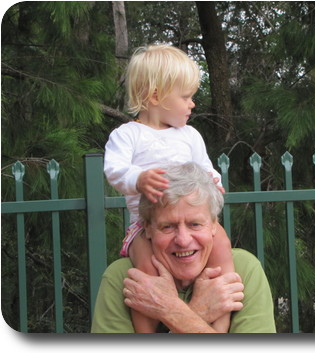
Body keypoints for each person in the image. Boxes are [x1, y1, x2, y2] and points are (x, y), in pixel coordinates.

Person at [103, 44, 233, 332]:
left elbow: (205, 167)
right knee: (146, 274)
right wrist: (138, 179)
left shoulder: (190, 136)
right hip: (145, 227)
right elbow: (114, 170)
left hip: (192, 222)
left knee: (222, 246)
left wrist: (214, 181)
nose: (192, 104)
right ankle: (146, 332)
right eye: (186, 97)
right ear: (156, 96)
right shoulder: (128, 135)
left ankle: (220, 326)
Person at [91, 163, 276, 333]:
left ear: (214, 224)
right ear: (147, 228)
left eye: (195, 224)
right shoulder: (123, 278)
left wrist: (171, 311)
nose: (183, 240)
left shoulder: (244, 270)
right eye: (168, 226)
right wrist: (195, 313)